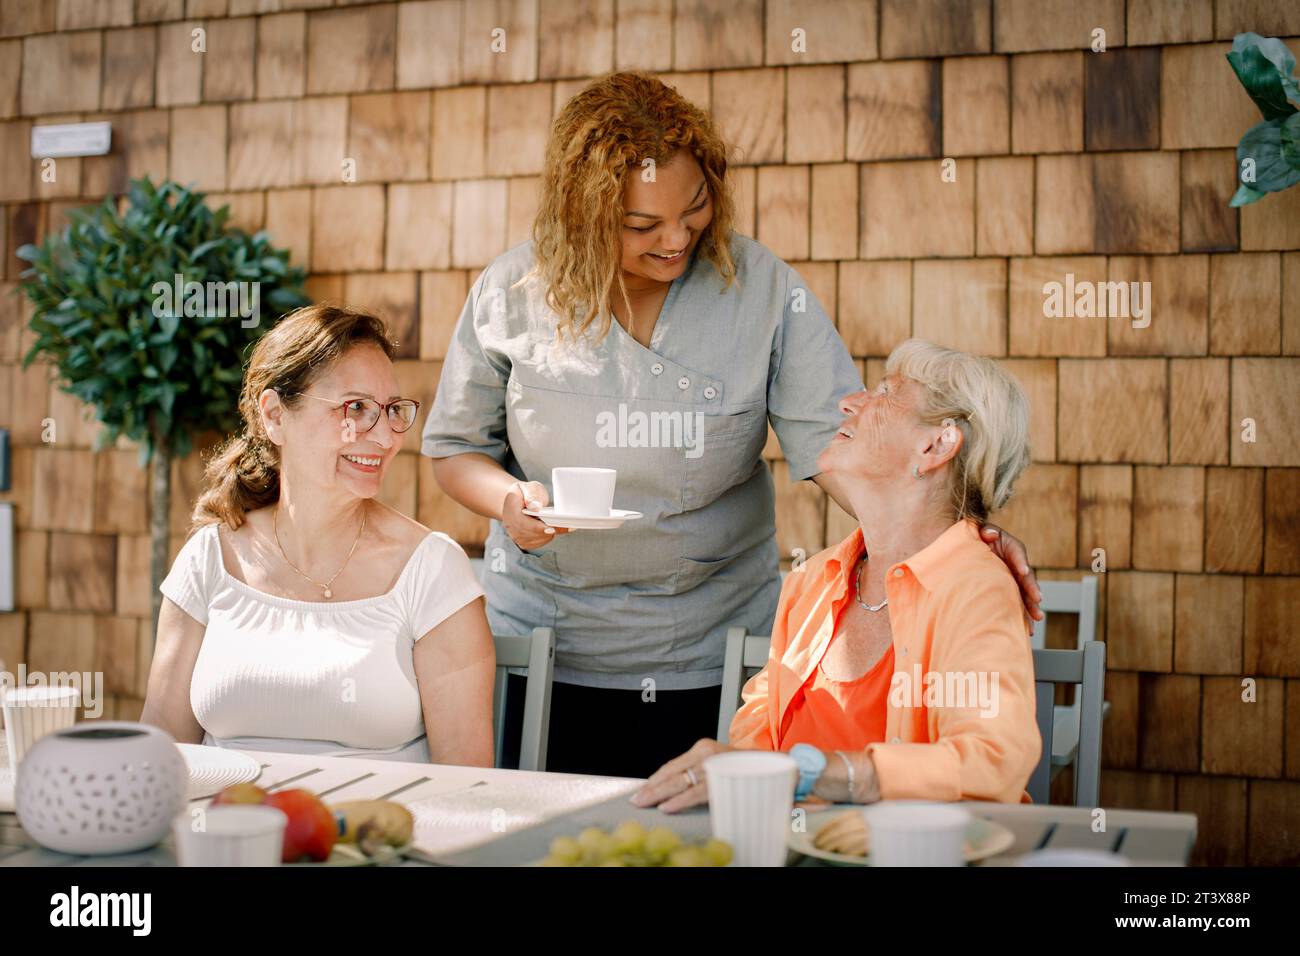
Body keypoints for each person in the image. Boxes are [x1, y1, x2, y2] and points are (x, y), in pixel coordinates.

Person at [423, 71, 1042, 779]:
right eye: (641, 225)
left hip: (710, 652)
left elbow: (856, 454)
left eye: (694, 209)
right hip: (542, 641)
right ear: (583, 215)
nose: (677, 238)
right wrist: (509, 500)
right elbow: (455, 449)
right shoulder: (510, 292)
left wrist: (955, 540)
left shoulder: (765, 291)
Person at [633, 340, 1042, 810]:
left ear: (936, 444)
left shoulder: (976, 588)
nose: (849, 402)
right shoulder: (813, 581)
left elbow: (992, 760)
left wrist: (823, 774)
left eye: (885, 393)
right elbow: (757, 738)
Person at [142, 305, 494, 765]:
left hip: (372, 834)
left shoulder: (431, 571)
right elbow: (162, 745)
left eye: (391, 411)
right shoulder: (210, 558)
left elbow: (467, 781)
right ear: (275, 416)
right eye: (356, 408)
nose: (385, 436)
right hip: (226, 830)